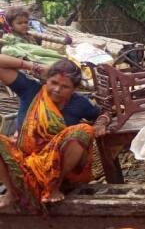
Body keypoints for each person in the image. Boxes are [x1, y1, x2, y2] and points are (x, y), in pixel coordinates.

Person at [0, 56, 108, 211]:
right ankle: (12, 191)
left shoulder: (79, 103)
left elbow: (103, 113)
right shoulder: (30, 90)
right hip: (23, 161)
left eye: (65, 86)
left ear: (74, 89)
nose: (57, 89)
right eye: (54, 82)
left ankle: (53, 186)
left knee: (83, 131)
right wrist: (33, 66)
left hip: (57, 167)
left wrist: (101, 123)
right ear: (46, 80)